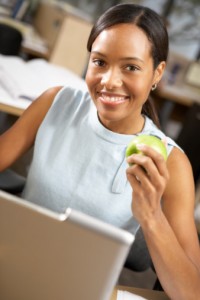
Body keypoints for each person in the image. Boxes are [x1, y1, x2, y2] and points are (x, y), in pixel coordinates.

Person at [0, 3, 200, 299]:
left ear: (157, 73)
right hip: (13, 269)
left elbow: (192, 293)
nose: (109, 81)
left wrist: (151, 215)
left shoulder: (171, 163)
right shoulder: (55, 102)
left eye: (131, 67)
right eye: (100, 62)